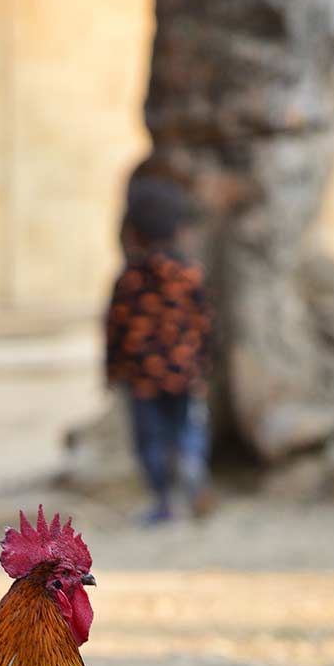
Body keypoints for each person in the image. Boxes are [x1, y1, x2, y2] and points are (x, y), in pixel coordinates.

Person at [105, 180, 214, 524]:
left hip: (142, 380)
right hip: (184, 373)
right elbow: (205, 324)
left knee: (151, 441)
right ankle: (193, 481)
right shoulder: (189, 275)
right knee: (187, 431)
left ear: (131, 234)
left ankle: (166, 501)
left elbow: (114, 329)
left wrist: (111, 370)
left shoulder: (129, 279)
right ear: (181, 230)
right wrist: (204, 365)